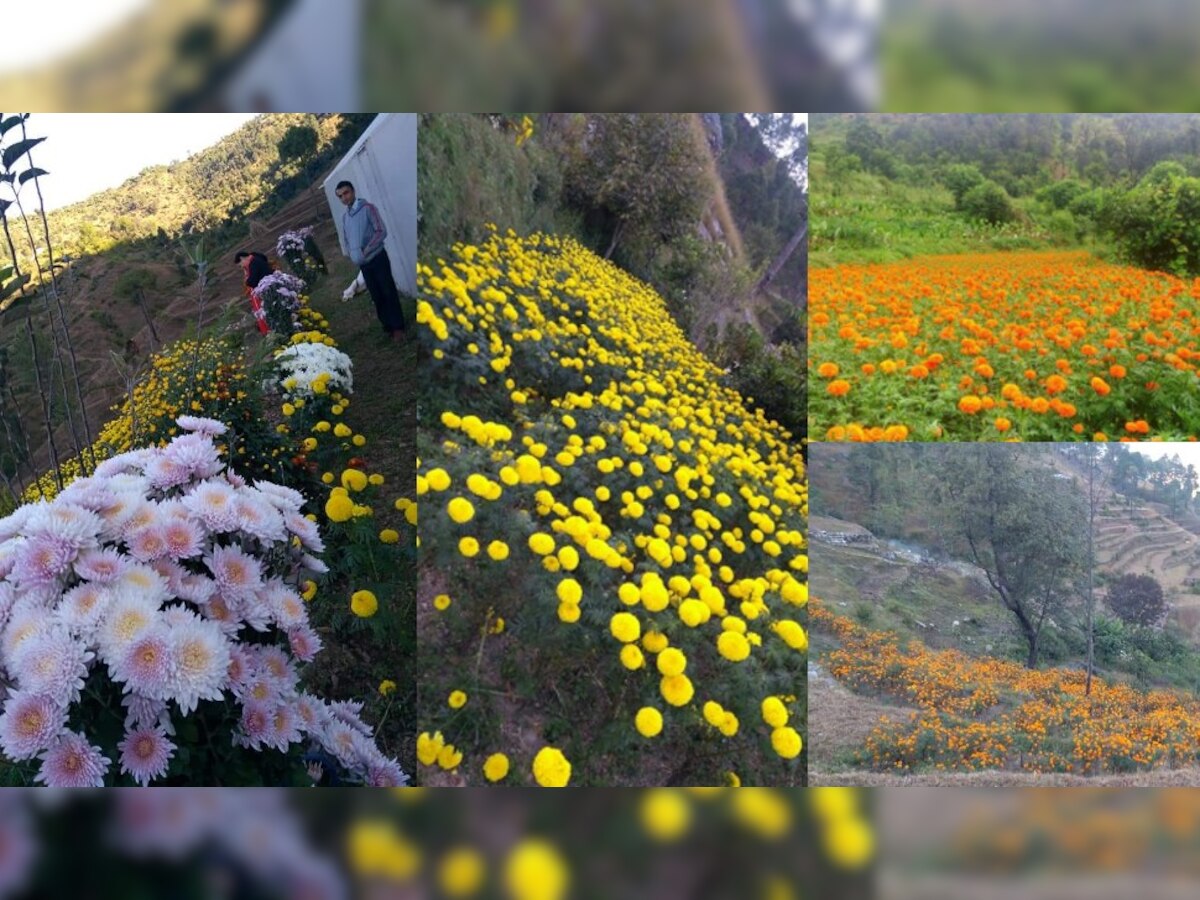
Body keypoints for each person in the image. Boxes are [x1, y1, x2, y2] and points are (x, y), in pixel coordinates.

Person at [335, 180, 406, 341]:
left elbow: (381, 231)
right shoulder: (346, 217)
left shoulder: (368, 209)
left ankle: (398, 327)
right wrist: (354, 254)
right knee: (376, 294)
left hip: (377, 258)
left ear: (353, 191)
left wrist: (365, 251)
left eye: (346, 193)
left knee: (388, 291)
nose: (344, 198)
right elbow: (347, 238)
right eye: (340, 196)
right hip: (364, 264)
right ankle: (387, 325)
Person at [235, 250, 273, 334]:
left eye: (240, 264)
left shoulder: (253, 263)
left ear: (242, 258)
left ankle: (268, 331)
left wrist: (247, 280)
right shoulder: (258, 259)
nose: (241, 267)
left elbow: (253, 281)